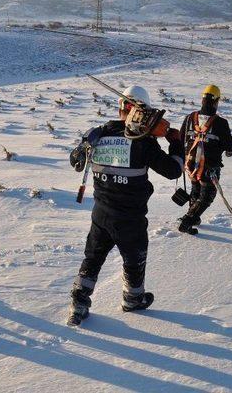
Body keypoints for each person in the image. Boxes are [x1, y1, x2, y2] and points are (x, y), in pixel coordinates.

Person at [67, 85, 184, 326]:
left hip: (101, 214)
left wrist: (83, 147)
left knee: (93, 257)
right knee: (134, 258)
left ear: (121, 108)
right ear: (142, 111)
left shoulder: (98, 134)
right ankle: (132, 299)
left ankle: (78, 303)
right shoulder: (142, 141)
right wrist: (177, 145)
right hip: (130, 218)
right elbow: (173, 171)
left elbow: (75, 161)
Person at [178, 85, 232, 235]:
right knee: (207, 194)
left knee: (196, 190)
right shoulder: (220, 123)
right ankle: (188, 220)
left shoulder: (190, 118)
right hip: (209, 166)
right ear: (216, 101)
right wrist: (228, 152)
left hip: (190, 165)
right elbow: (230, 146)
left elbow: (180, 139)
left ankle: (193, 218)